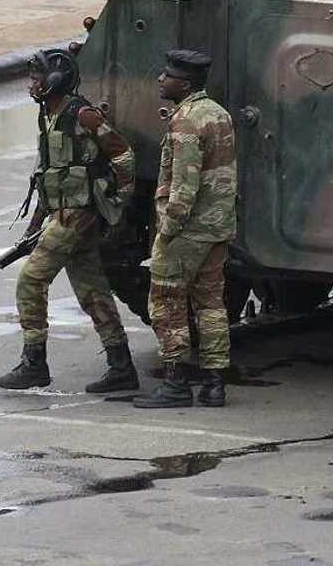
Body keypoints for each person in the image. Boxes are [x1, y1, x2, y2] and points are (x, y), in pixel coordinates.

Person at [0, 48, 139, 393]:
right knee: (92, 291)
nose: (31, 85)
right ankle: (121, 366)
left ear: (55, 80)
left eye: (36, 79)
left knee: (31, 280)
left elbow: (123, 155)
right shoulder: (48, 115)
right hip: (62, 214)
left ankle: (34, 362)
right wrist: (35, 223)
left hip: (77, 216)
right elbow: (48, 175)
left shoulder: (83, 115)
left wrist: (116, 204)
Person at [133, 49, 237, 409]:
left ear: (186, 84)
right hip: (217, 226)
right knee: (211, 304)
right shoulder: (219, 113)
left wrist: (168, 229)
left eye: (169, 76)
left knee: (166, 301)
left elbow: (184, 183)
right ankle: (215, 383)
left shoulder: (186, 121)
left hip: (188, 229)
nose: (161, 80)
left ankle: (175, 382)